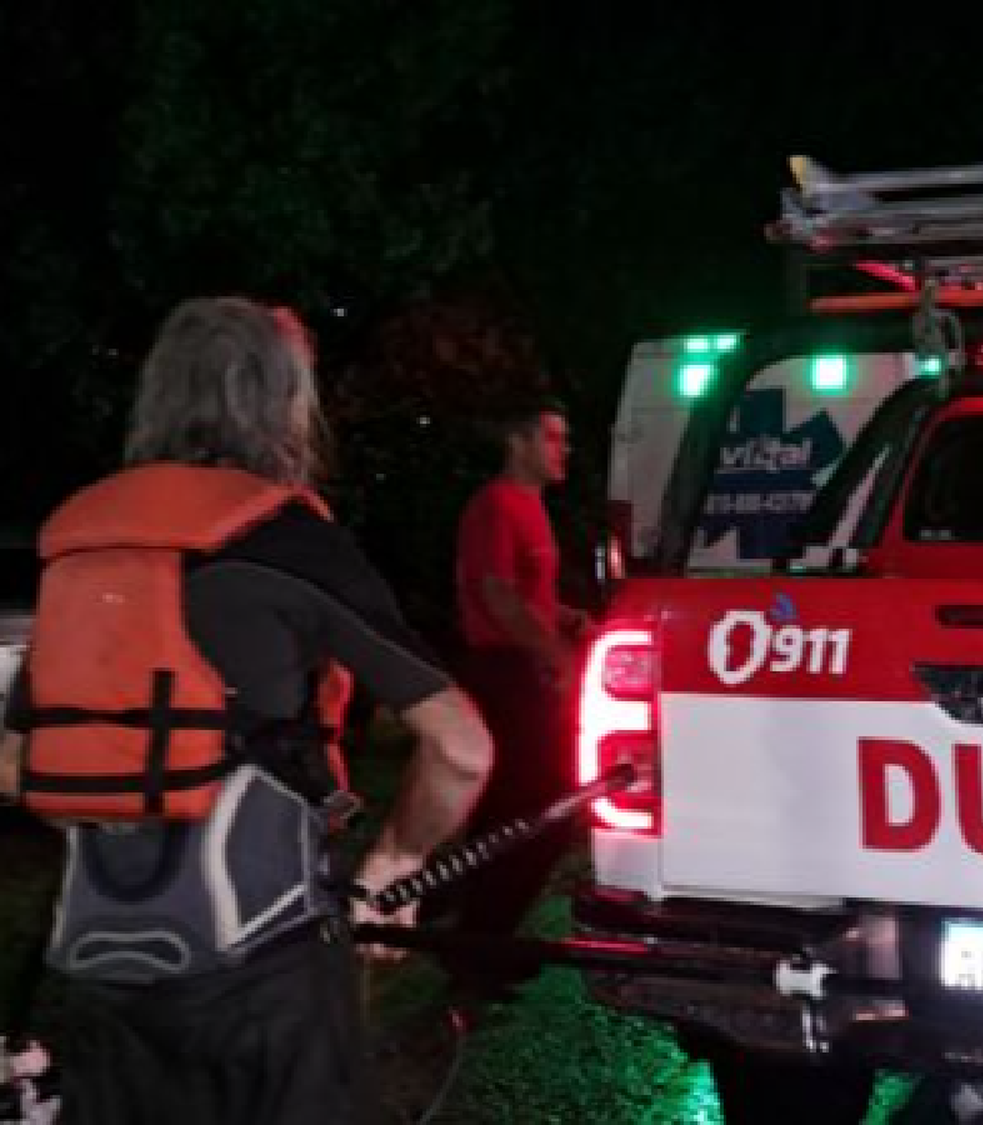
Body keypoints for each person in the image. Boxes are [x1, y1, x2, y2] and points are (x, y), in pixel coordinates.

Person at [0, 296, 494, 1125]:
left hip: (98, 975)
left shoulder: (85, 548)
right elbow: (461, 747)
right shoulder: (287, 541)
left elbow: (16, 760)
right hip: (268, 972)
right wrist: (395, 858)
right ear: (285, 403)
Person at [448, 395, 590, 944]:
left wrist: (567, 619)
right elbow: (498, 596)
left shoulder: (530, 507)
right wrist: (553, 655)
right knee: (537, 809)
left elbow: (527, 596)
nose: (564, 451)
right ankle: (481, 935)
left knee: (520, 806)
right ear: (519, 442)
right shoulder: (497, 505)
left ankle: (479, 928)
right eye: (553, 438)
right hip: (506, 674)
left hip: (523, 670)